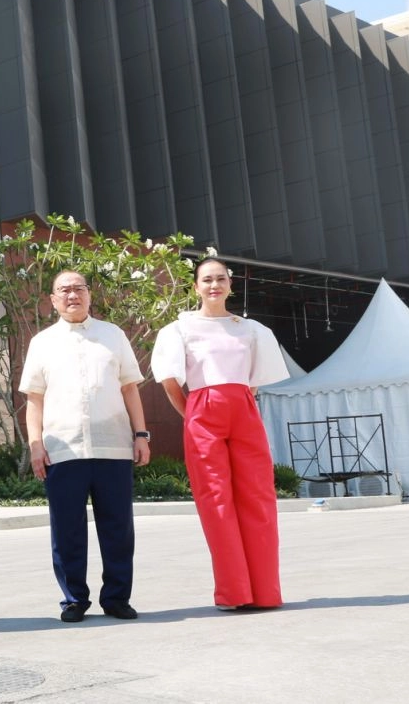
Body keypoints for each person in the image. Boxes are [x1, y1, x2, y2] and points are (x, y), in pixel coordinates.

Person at [152, 256, 289, 611]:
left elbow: (254, 382)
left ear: (230, 285)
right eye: (207, 280)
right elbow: (170, 381)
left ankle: (265, 592)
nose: (215, 286)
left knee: (259, 497)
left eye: (221, 279)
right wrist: (193, 414)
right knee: (216, 500)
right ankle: (234, 592)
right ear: (195, 287)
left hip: (243, 408)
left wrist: (236, 404)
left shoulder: (252, 329)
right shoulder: (179, 330)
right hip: (202, 410)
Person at [20, 270, 151, 623]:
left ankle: (117, 598)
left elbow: (129, 388)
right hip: (63, 450)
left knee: (118, 528)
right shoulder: (42, 342)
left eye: (78, 288)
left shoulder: (113, 335)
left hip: (113, 447)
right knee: (67, 530)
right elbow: (34, 398)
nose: (72, 295)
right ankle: (74, 599)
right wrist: (35, 445)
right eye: (64, 290)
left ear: (90, 295)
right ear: (52, 299)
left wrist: (141, 435)